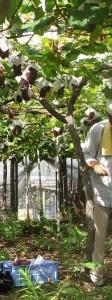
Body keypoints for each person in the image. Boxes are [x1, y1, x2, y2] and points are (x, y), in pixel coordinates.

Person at [83, 101, 112, 286]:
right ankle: (96, 276)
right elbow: (86, 154)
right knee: (99, 237)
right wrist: (94, 164)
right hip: (103, 192)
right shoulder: (98, 129)